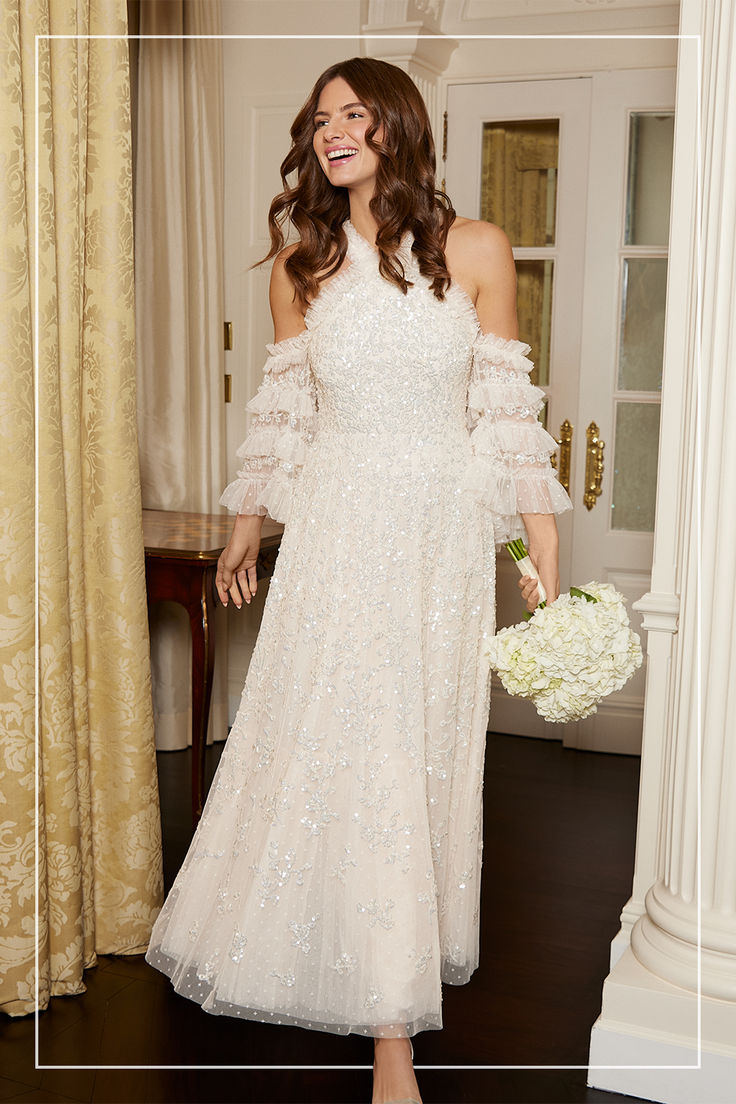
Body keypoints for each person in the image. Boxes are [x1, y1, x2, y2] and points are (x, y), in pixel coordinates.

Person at [145, 57, 571, 1104]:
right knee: (336, 744)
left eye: (351, 113)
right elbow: (284, 417)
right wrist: (246, 527)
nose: (331, 130)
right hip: (336, 533)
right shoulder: (301, 266)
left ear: (395, 126)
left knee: (406, 755)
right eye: (319, 118)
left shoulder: (474, 249)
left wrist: (541, 563)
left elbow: (507, 417)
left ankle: (390, 1012)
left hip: (437, 539)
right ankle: (370, 1014)